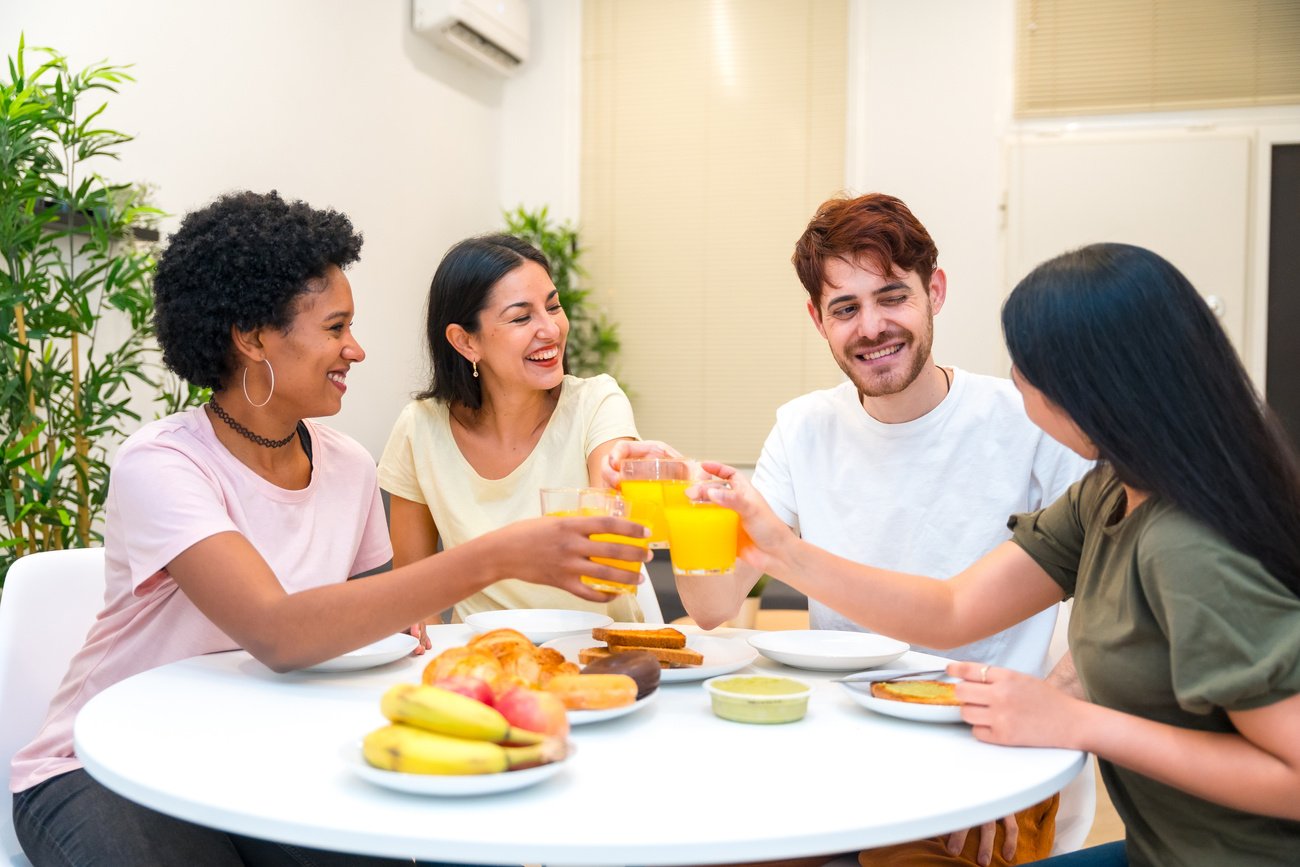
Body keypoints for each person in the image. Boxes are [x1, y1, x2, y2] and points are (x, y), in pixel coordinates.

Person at [9, 191, 649, 867]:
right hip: (108, 765)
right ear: (255, 338)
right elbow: (279, 630)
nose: (357, 349)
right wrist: (497, 556)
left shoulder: (343, 464)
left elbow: (388, 625)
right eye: (336, 328)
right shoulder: (164, 465)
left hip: (258, 754)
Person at [703, 243, 1300, 867]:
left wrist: (1075, 721)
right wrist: (780, 549)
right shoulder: (1109, 492)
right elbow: (954, 608)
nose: (1014, 378)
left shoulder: (1190, 544)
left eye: (1027, 364)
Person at [608, 193, 1091, 865]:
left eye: (892, 296)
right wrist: (691, 500)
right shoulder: (804, 427)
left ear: (936, 291)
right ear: (818, 319)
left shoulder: (1024, 421)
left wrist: (1039, 725)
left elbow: (1116, 614)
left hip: (976, 749)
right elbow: (714, 605)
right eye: (845, 308)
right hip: (832, 749)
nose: (871, 327)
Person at [379, 234, 646, 624]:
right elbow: (412, 598)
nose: (551, 330)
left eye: (553, 307)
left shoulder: (596, 404)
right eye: (522, 317)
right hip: (482, 662)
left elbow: (606, 552)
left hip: (596, 659)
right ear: (466, 341)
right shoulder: (420, 428)